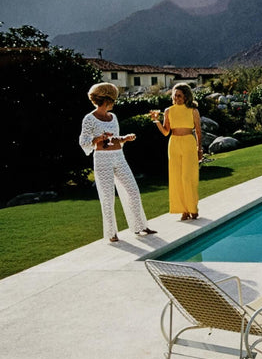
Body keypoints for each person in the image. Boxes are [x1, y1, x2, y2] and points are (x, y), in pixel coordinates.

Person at [79, 82, 156, 243]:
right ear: (107, 100)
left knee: (133, 191)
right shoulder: (89, 119)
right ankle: (111, 233)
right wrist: (98, 138)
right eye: (113, 100)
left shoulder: (113, 117)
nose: (114, 103)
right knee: (107, 197)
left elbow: (115, 138)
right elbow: (84, 142)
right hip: (102, 160)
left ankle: (140, 226)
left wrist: (125, 138)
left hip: (119, 157)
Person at [152, 82, 203, 220]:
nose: (176, 98)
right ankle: (184, 210)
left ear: (186, 97)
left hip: (189, 143)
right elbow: (165, 132)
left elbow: (198, 132)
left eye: (179, 96)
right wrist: (156, 121)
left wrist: (200, 149)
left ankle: (193, 208)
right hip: (174, 143)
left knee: (188, 177)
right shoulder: (168, 111)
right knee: (177, 178)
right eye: (175, 96)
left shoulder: (193, 110)